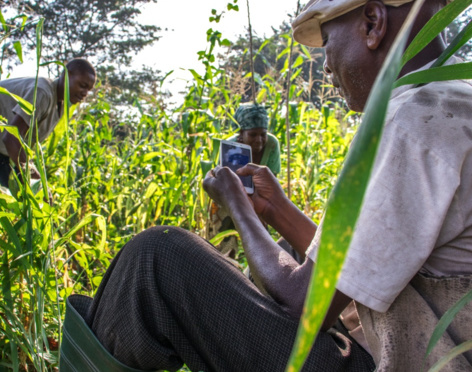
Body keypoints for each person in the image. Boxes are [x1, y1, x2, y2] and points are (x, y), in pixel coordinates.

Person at [61, 0, 472, 371]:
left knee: (156, 258)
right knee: (249, 256)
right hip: (377, 343)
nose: (326, 66)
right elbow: (351, 272)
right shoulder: (449, 106)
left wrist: (237, 206)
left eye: (326, 41)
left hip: (378, 361)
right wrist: (275, 209)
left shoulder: (411, 125)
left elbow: (305, 301)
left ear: (372, 23)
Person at [0, 58, 96, 188]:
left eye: (88, 90)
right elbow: (11, 138)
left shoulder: (59, 105)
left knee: (23, 197)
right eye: (82, 86)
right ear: (66, 75)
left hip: (4, 146)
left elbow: (23, 144)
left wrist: (35, 183)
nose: (85, 93)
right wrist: (36, 179)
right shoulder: (42, 92)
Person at [208, 104, 283, 257]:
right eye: (253, 135)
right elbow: (224, 184)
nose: (259, 140)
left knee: (263, 246)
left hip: (258, 197)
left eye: (263, 134)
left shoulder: (272, 144)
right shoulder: (230, 147)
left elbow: (271, 182)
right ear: (241, 133)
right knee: (224, 247)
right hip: (229, 198)